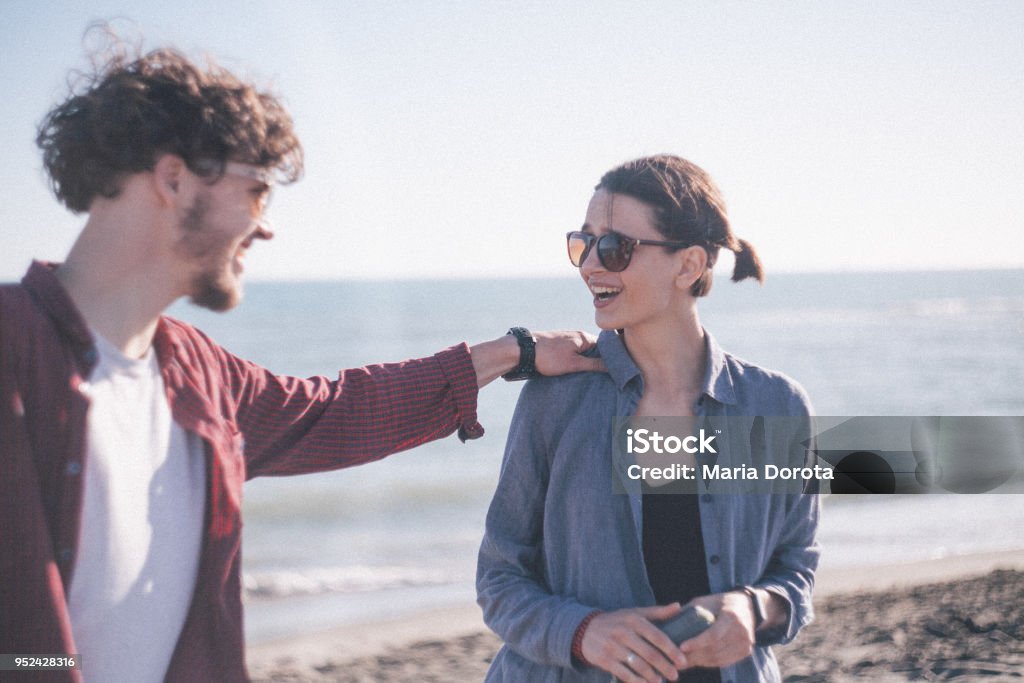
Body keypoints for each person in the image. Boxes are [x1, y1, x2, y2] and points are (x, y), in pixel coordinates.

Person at [0, 42, 602, 683]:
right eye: (256, 192)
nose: (267, 228)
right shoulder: (14, 347)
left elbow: (337, 410)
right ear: (174, 180)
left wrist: (516, 352)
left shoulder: (196, 373)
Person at [477, 154, 821, 682]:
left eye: (615, 247)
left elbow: (795, 568)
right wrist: (583, 631)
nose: (590, 265)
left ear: (688, 265)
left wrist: (751, 609)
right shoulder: (557, 400)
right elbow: (500, 579)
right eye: (582, 242)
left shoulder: (775, 406)